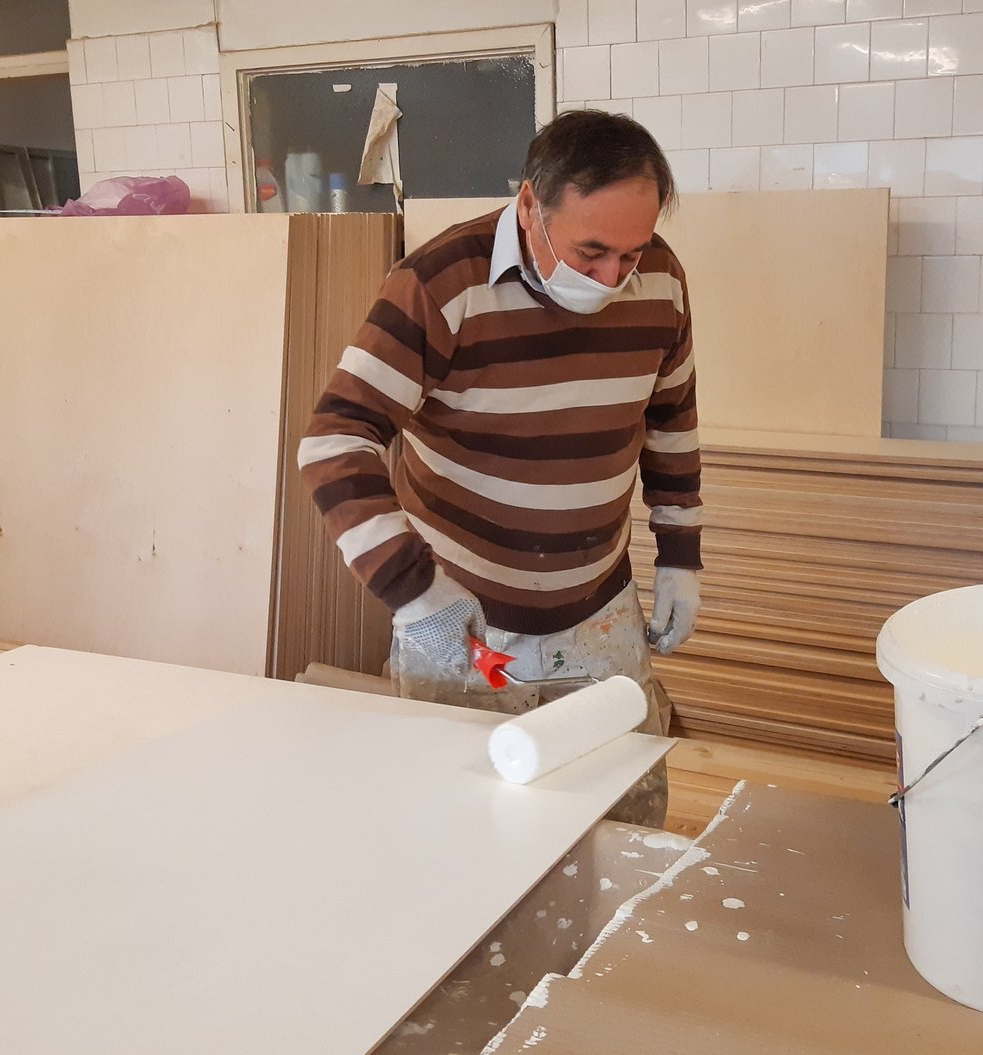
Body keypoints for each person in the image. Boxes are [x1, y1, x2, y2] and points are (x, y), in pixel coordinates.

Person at [298, 110, 702, 826]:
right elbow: (336, 439)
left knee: (623, 821)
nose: (612, 278)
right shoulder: (441, 283)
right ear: (529, 204)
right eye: (590, 252)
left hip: (599, 608)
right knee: (456, 828)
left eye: (631, 254)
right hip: (464, 617)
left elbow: (671, 421)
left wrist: (680, 555)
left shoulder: (662, 280)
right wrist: (413, 591)